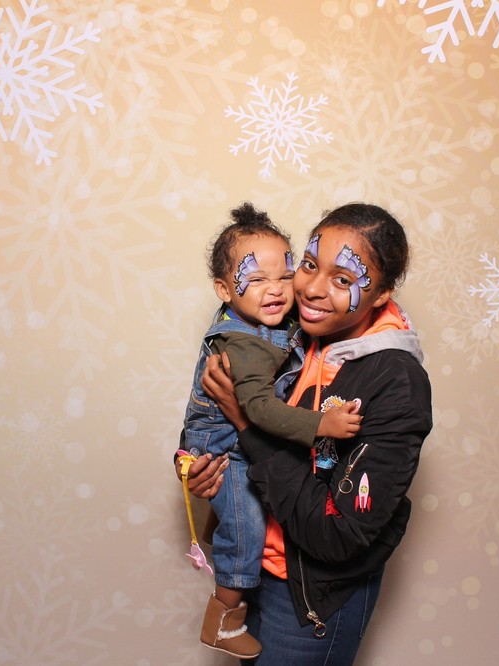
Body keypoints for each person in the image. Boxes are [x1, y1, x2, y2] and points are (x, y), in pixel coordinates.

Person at [182, 202, 433, 665]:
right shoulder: (289, 327)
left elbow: (339, 535)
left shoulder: (397, 383)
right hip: (256, 571)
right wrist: (203, 468)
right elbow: (217, 419)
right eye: (311, 265)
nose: (312, 289)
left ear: (381, 294)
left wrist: (245, 424)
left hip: (311, 596)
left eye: (343, 278)